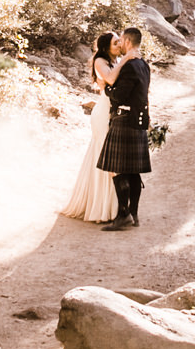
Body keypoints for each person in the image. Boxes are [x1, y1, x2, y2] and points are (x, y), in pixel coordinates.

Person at [58, 33, 121, 222]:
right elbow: (110, 79)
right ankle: (101, 208)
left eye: (119, 41)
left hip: (115, 112)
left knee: (112, 155)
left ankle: (112, 206)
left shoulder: (116, 60)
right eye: (115, 42)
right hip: (103, 113)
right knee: (105, 155)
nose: (119, 44)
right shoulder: (100, 61)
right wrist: (127, 60)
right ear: (105, 47)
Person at [96, 25, 153, 231]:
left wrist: (107, 88)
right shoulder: (144, 65)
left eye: (121, 40)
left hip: (124, 120)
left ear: (128, 42)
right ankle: (134, 214)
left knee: (117, 168)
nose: (120, 44)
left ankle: (123, 215)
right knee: (134, 171)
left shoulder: (128, 66)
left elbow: (119, 95)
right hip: (138, 120)